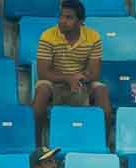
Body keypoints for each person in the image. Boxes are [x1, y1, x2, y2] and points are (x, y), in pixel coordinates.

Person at [32, 0, 112, 146]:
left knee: (101, 90)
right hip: (55, 82)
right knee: (42, 89)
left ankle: (103, 144)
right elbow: (43, 73)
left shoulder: (93, 37)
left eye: (69, 17)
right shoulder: (47, 36)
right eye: (61, 16)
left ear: (80, 22)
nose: (62, 21)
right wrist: (68, 78)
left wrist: (79, 79)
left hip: (82, 82)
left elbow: (94, 73)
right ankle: (36, 145)